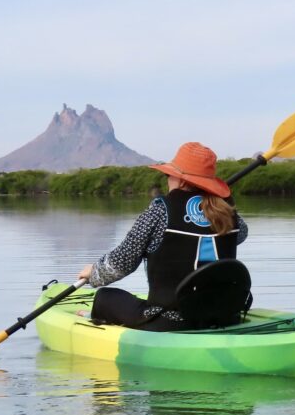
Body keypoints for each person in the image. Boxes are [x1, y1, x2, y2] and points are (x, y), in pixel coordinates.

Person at [76, 141, 248, 331]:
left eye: (169, 174)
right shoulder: (229, 213)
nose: (167, 179)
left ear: (181, 180)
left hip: (169, 320)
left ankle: (93, 317)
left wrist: (94, 273)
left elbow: (122, 262)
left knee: (104, 297)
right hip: (224, 317)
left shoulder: (160, 211)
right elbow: (239, 236)